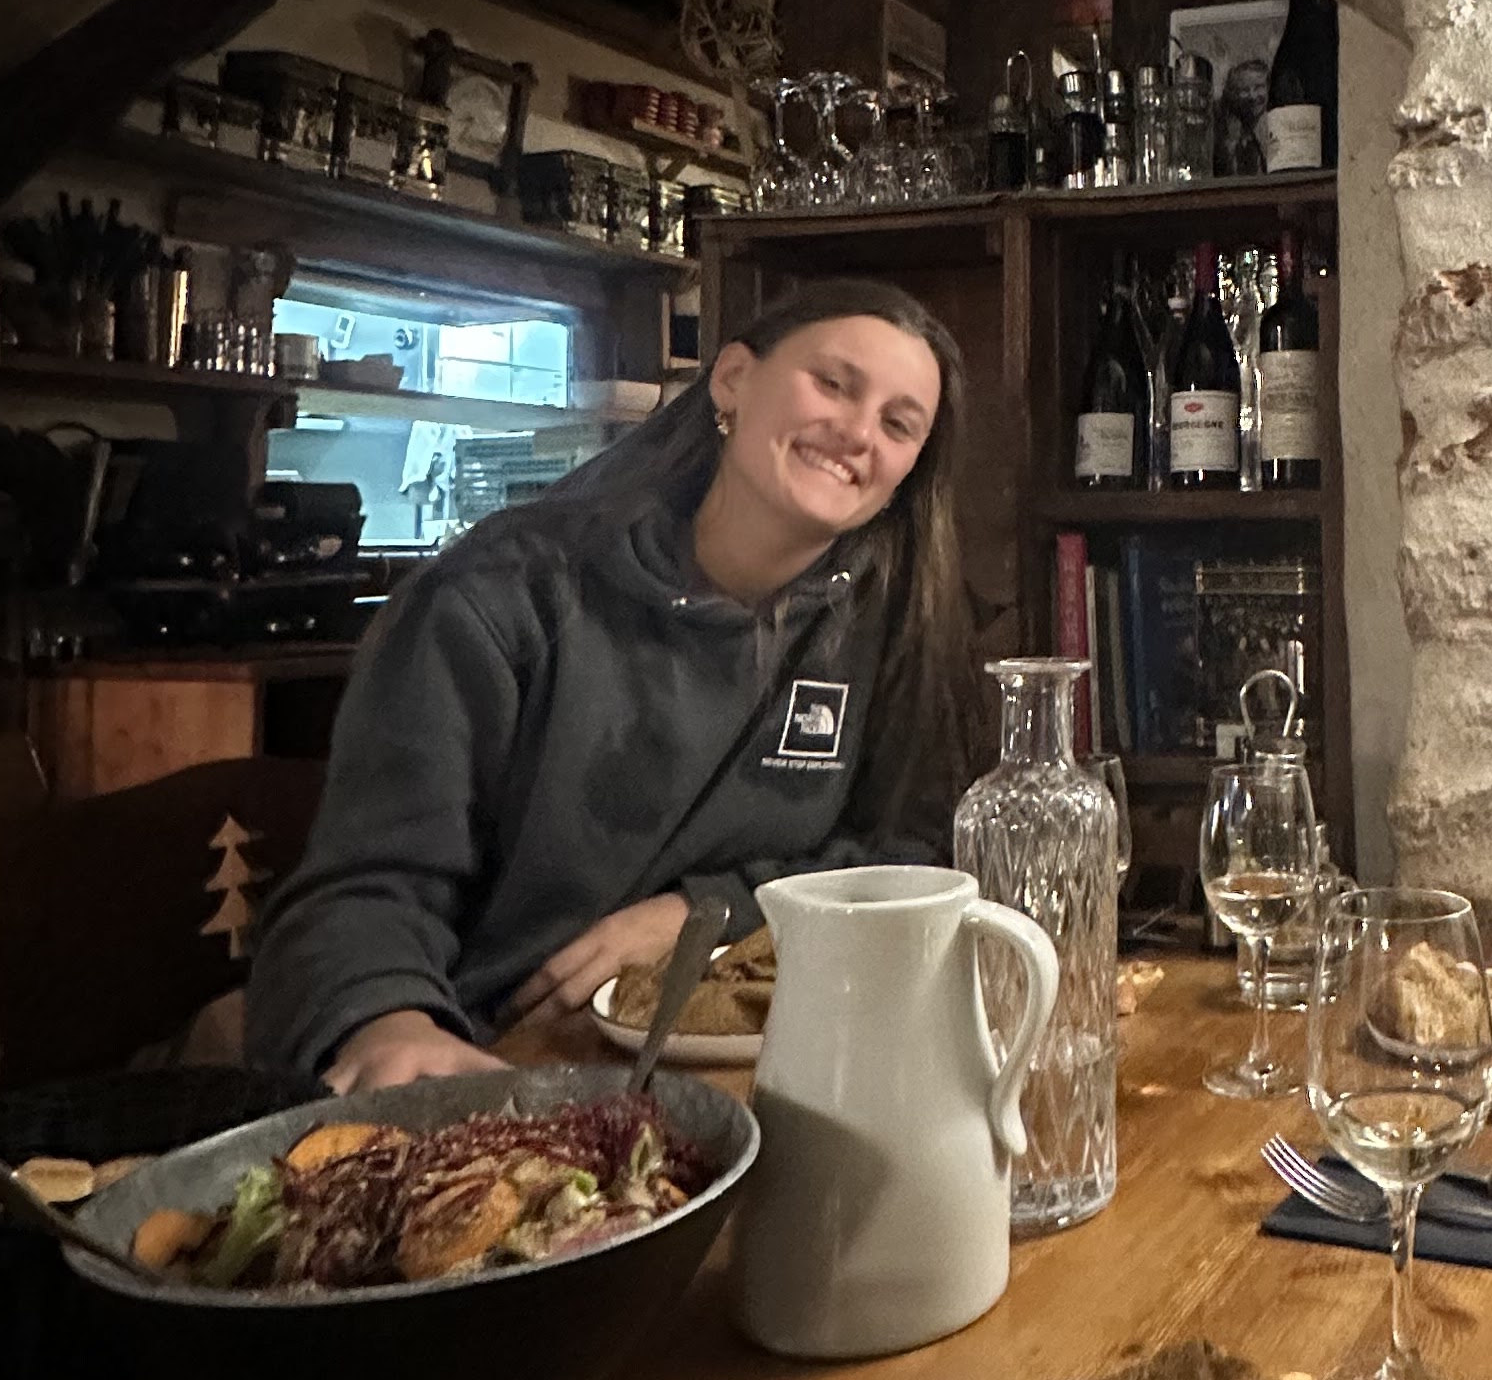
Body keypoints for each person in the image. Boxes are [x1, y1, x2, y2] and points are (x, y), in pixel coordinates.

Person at [247, 282, 983, 1092]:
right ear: (733, 380)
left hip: (774, 1064)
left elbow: (916, 856)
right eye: (834, 384)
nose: (858, 432)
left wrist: (705, 913)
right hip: (500, 1058)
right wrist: (390, 1022)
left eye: (898, 424)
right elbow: (365, 888)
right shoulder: (500, 596)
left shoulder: (890, 621)